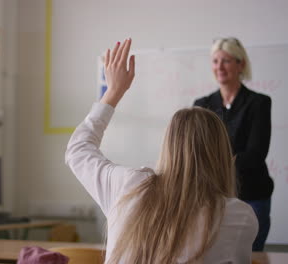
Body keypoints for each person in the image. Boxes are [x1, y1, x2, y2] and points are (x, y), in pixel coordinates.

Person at [65, 39, 258, 263]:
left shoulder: (128, 186)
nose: (220, 67)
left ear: (168, 145)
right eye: (216, 61)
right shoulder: (237, 216)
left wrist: (113, 92)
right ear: (222, 153)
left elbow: (78, 150)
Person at [194, 37, 273, 251]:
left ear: (241, 64)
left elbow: (255, 154)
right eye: (215, 61)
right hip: (212, 197)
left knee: (250, 255)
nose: (219, 67)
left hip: (252, 195)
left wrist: (215, 163)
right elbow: (198, 153)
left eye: (226, 61)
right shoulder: (201, 105)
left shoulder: (259, 103)